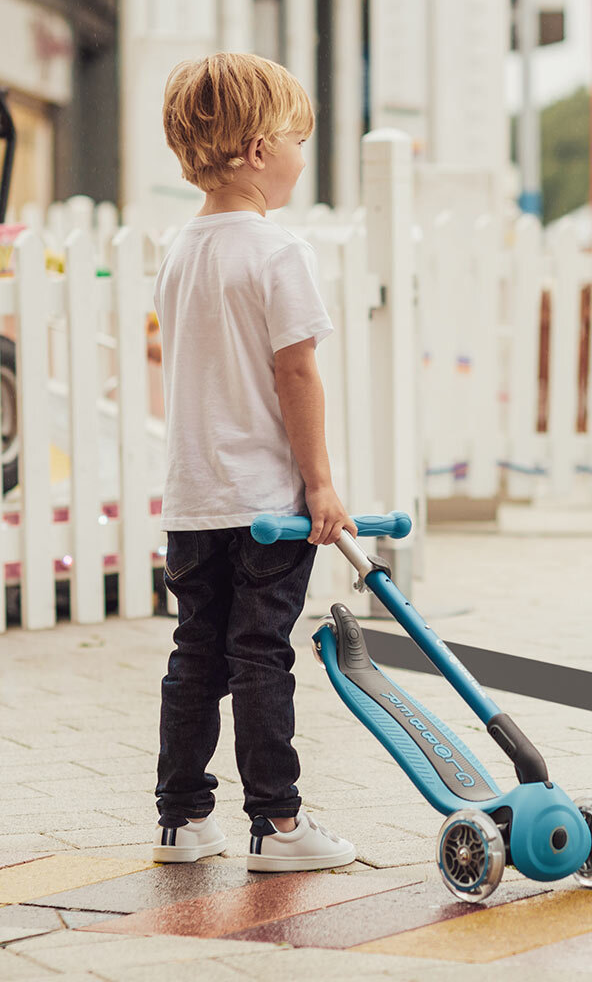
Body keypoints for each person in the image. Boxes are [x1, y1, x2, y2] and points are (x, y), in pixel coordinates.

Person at [151, 52, 358, 871]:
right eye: (298, 137)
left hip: (193, 501)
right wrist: (321, 485)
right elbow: (295, 370)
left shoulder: (181, 250)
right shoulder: (277, 252)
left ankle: (179, 818)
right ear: (258, 149)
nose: (303, 154)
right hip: (267, 502)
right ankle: (278, 825)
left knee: (195, 654)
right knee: (262, 655)